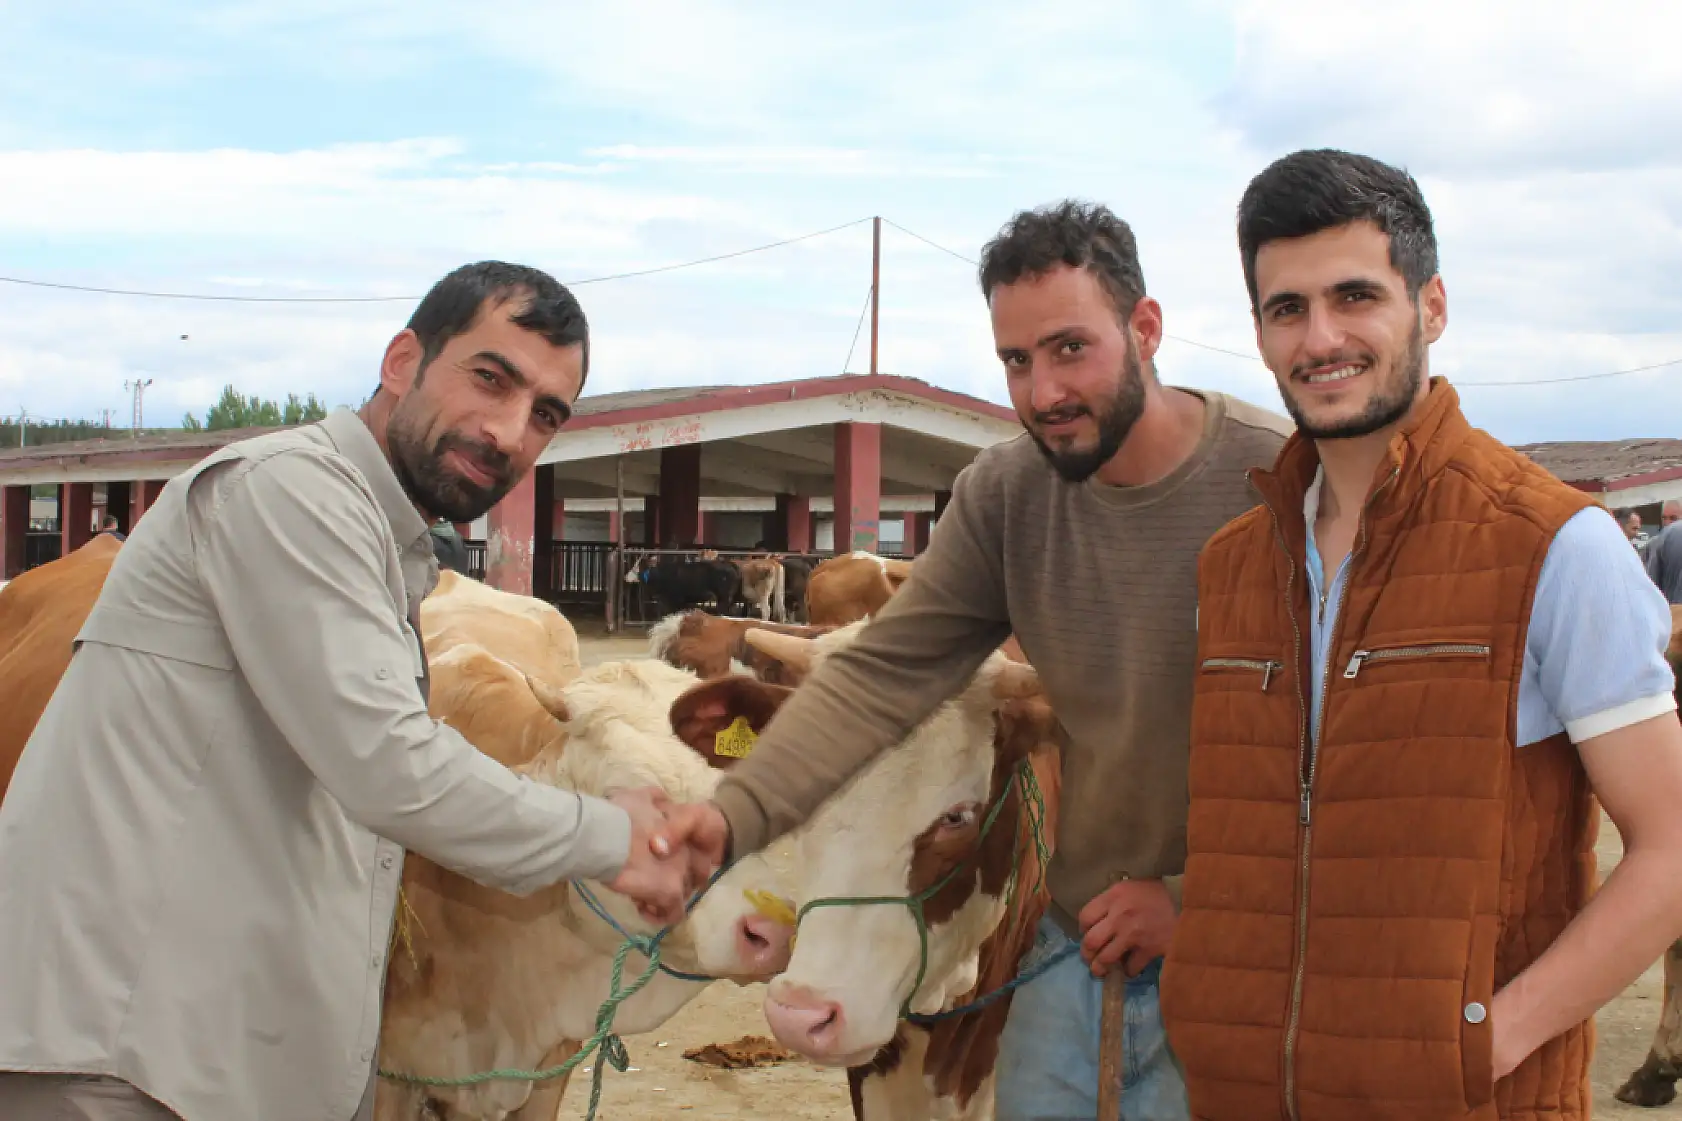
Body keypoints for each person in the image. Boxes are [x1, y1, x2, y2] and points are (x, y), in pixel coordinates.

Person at [0, 261, 703, 1121]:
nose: (509, 432)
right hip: (122, 1056)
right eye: (490, 378)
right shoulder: (289, 491)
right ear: (402, 361)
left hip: (207, 1053)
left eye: (546, 414)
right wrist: (611, 836)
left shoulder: (387, 545)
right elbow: (389, 763)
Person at [668, 200, 1293, 1119]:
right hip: (1071, 934)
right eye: (1016, 360)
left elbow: (1350, 752)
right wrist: (731, 818)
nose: (1043, 391)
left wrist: (1194, 899)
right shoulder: (1005, 493)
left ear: (1146, 328)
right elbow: (882, 675)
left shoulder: (1279, 483)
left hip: (1255, 939)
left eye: (1071, 348)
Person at [1155, 148, 1682, 1120]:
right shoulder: (1230, 567)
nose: (1320, 337)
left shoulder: (1553, 544)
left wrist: (1491, 1038)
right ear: (1260, 334)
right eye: (1286, 308)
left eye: (1354, 295)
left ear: (1430, 306)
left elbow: (1670, 847)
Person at [1645, 499, 1682, 603]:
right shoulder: (1653, 544)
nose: (1667, 523)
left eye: (1673, 518)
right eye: (1664, 518)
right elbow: (1651, 582)